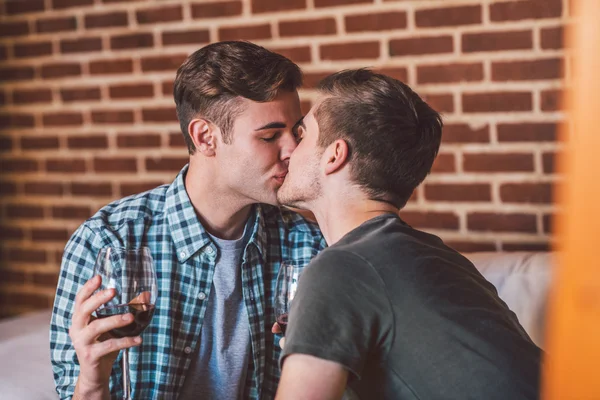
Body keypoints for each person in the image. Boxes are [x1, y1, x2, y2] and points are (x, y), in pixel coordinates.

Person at [50, 41, 325, 400]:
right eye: (270, 136)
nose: (291, 150)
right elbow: (74, 390)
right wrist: (90, 384)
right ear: (205, 137)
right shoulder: (107, 242)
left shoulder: (309, 245)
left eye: (296, 132)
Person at [275, 69, 542, 399]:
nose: (288, 150)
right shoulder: (439, 257)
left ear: (334, 155)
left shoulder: (341, 268)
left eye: (302, 134)